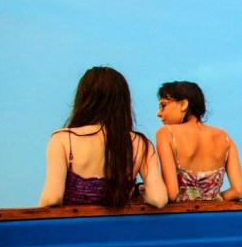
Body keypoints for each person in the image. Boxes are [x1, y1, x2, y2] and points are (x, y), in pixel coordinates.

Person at [39, 67, 169, 208]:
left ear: (84, 99)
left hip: (77, 228)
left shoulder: (62, 139)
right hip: (118, 228)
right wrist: (138, 192)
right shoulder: (140, 144)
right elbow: (159, 199)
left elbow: (52, 198)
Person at [155, 80, 242, 202]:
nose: (159, 113)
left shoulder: (166, 133)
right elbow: (239, 191)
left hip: (181, 217)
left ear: (183, 104)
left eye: (163, 105)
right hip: (212, 216)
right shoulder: (224, 137)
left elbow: (172, 193)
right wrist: (214, 199)